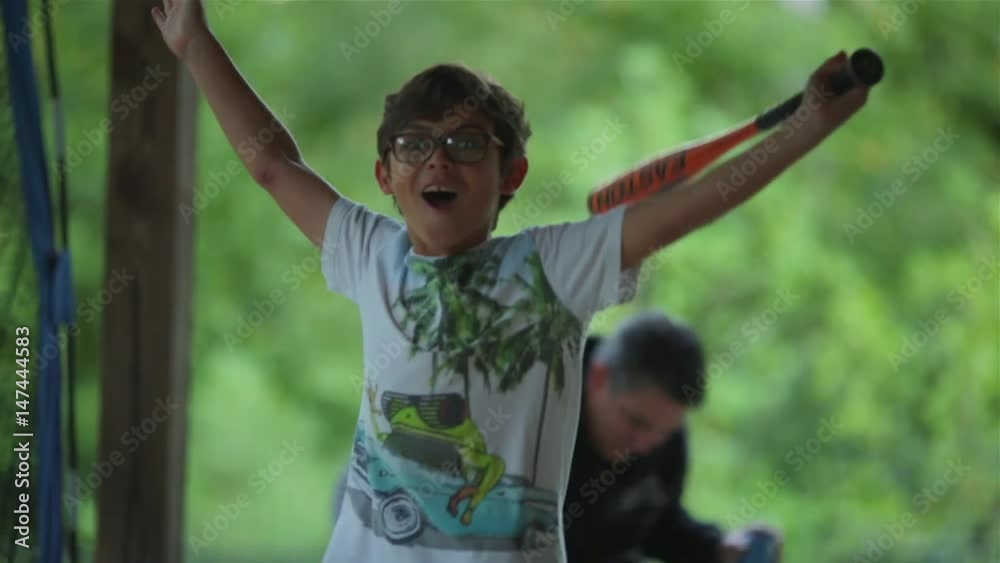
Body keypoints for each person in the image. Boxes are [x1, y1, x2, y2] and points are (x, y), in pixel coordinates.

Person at [152, 1, 869, 561]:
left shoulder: (553, 269)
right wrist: (194, 42)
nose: (439, 160)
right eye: (414, 145)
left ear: (510, 178)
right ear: (386, 178)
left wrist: (807, 124)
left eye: (467, 145)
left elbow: (687, 207)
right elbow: (273, 162)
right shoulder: (367, 251)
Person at [563, 312, 782, 563]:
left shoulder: (665, 434)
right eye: (636, 422)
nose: (645, 445)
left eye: (664, 433)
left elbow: (657, 527)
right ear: (599, 377)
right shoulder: (539, 412)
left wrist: (718, 550)